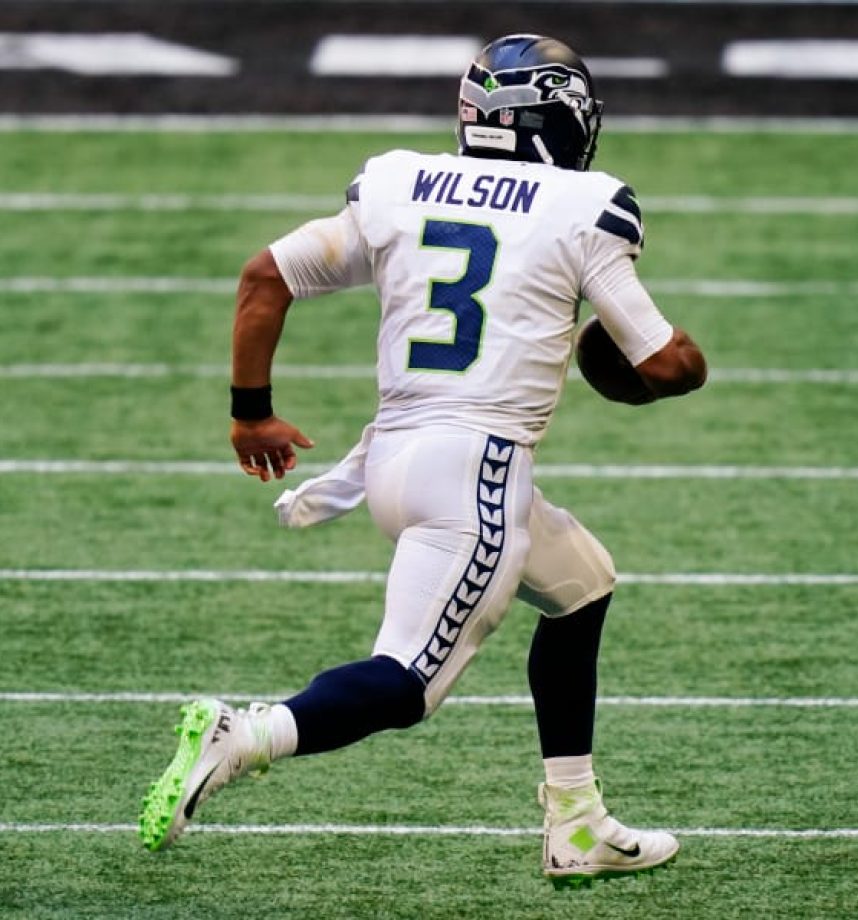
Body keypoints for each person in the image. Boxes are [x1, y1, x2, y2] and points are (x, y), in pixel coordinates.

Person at [139, 33, 706, 888]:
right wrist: (684, 361)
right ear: (558, 118)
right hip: (474, 477)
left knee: (583, 583)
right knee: (405, 686)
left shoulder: (402, 183)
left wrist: (250, 414)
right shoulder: (584, 205)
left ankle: (577, 822)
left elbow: (264, 278)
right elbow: (665, 365)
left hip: (395, 459)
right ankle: (249, 733)